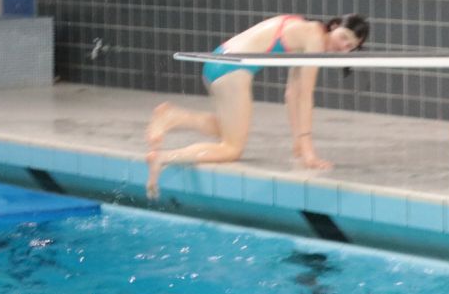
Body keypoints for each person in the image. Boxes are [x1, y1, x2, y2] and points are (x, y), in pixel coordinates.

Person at [145, 14, 370, 198]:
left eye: (350, 46)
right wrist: (309, 153)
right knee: (232, 149)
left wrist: (299, 143)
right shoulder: (314, 38)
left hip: (219, 60)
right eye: (343, 37)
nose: (343, 46)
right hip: (232, 69)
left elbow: (292, 93)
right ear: (334, 26)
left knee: (230, 130)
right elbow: (305, 96)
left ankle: (173, 117)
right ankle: (164, 157)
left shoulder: (307, 29)